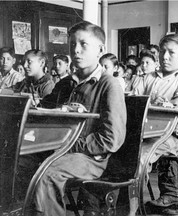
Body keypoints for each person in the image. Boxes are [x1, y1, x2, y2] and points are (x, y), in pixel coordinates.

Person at [29, 21, 126, 216]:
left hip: (90, 158)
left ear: (101, 49)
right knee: (19, 164)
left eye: (83, 44)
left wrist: (67, 145)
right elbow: (43, 111)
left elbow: (112, 139)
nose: (76, 50)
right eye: (72, 44)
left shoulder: (109, 85)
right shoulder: (65, 83)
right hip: (58, 150)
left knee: (47, 174)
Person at [134, 34, 178, 215]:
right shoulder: (148, 77)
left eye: (171, 52)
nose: (164, 56)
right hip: (144, 128)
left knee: (138, 157)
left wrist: (164, 103)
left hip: (171, 131)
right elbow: (133, 99)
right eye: (162, 51)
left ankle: (130, 208)